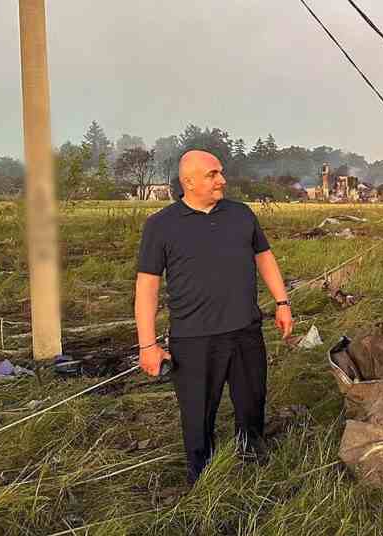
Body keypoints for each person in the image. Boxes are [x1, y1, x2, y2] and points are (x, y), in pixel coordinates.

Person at [133, 150, 294, 483]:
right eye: (212, 174)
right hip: (194, 339)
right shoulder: (161, 225)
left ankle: (251, 458)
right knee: (197, 415)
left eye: (220, 172)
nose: (222, 180)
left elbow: (264, 257)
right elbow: (147, 286)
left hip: (245, 330)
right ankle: (202, 478)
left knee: (252, 402)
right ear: (188, 181)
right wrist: (147, 344)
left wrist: (282, 302)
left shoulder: (241, 214)